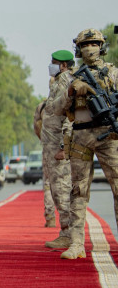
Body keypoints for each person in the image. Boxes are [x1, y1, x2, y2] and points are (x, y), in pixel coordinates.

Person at [53, 28, 118, 260]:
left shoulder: (113, 73)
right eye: (85, 44)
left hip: (109, 136)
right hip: (81, 136)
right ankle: (77, 243)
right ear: (78, 49)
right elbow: (57, 108)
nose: (90, 48)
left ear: (102, 46)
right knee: (78, 191)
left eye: (94, 43)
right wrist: (71, 91)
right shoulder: (72, 77)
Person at [40, 49, 74, 249]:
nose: (50, 65)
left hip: (58, 149)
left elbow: (70, 116)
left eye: (53, 62)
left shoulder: (66, 83)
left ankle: (68, 234)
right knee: (56, 190)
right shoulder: (56, 84)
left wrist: (64, 146)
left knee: (62, 190)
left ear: (63, 65)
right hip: (51, 147)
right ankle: (65, 232)